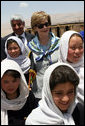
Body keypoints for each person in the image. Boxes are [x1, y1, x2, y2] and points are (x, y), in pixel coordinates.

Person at [27, 11, 60, 100]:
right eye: (41, 26)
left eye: (47, 24)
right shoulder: (30, 47)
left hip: (58, 90)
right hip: (40, 93)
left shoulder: (59, 43)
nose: (45, 27)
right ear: (34, 28)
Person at [1, 59, 38, 125]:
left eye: (14, 81)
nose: (10, 85)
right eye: (6, 82)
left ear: (20, 80)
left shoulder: (28, 97)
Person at [58, 30, 84, 104]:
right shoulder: (57, 72)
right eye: (73, 48)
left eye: (80, 47)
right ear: (64, 48)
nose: (77, 51)